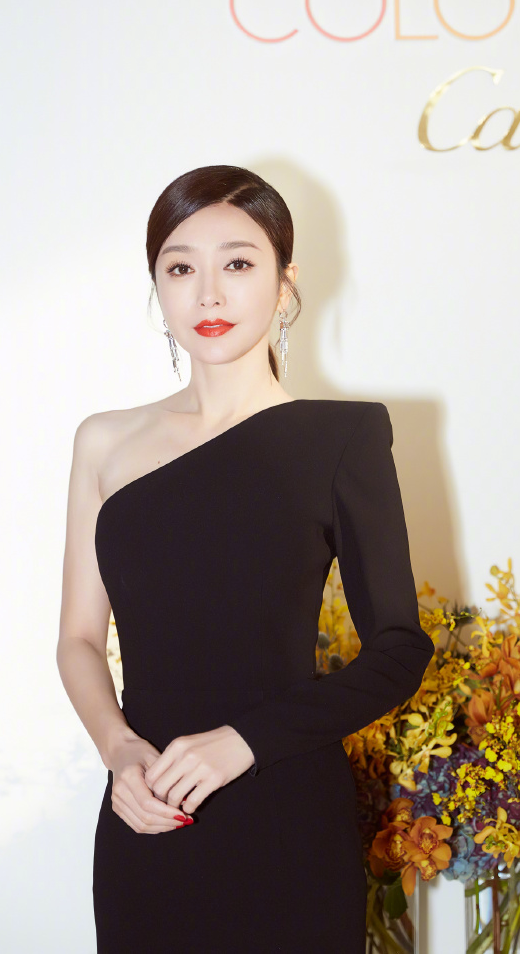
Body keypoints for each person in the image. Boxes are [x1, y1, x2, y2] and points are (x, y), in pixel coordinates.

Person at [56, 164, 435, 953]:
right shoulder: (103, 441)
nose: (209, 294)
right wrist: (119, 750)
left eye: (237, 263)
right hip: (149, 808)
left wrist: (244, 739)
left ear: (285, 281)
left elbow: (400, 648)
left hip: (287, 810)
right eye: (180, 268)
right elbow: (79, 639)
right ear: (157, 286)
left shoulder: (344, 437)